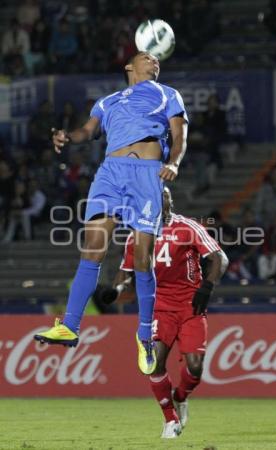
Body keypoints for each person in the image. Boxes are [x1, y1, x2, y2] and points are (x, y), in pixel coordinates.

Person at [34, 51, 188, 376]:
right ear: (129, 67)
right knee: (92, 249)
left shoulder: (168, 94)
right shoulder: (108, 102)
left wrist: (173, 162)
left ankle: (145, 336)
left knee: (142, 259)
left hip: (147, 173)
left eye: (157, 59)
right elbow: (87, 132)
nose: (155, 61)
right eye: (147, 57)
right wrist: (68, 137)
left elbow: (179, 135)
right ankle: (70, 326)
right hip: (110, 172)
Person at [112, 187, 228, 438]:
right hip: (159, 307)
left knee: (195, 368)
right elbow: (126, 270)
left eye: (165, 199)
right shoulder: (137, 234)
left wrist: (206, 288)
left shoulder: (188, 227)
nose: (161, 204)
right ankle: (169, 420)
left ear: (171, 203)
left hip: (190, 306)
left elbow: (220, 258)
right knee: (154, 361)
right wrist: (115, 289)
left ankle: (180, 396)